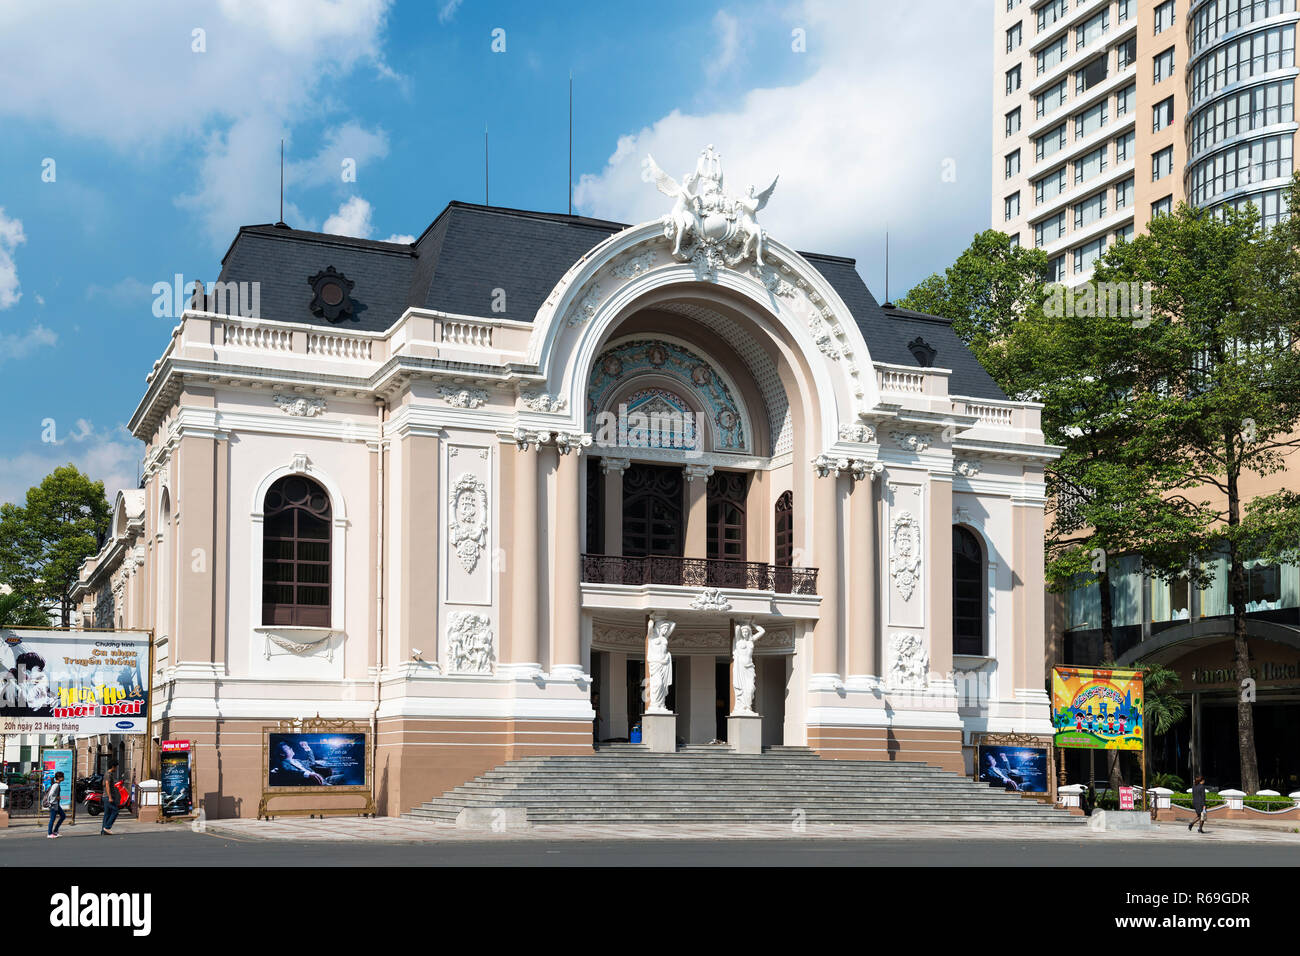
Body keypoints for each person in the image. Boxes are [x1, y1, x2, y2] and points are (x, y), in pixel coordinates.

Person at [100, 759, 121, 835]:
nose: (116, 769)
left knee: (107, 813)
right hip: (107, 797)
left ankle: (103, 830)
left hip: (106, 796)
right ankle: (107, 827)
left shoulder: (108, 774)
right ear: (113, 767)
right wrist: (110, 797)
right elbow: (107, 785)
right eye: (116, 767)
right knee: (115, 811)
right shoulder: (108, 774)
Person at [45, 771, 66, 839]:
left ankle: (55, 831)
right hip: (53, 804)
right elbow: (51, 794)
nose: (64, 778)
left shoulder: (56, 784)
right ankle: (49, 833)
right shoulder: (56, 785)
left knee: (63, 816)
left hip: (56, 804)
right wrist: (55, 799)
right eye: (63, 776)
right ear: (59, 778)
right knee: (52, 819)